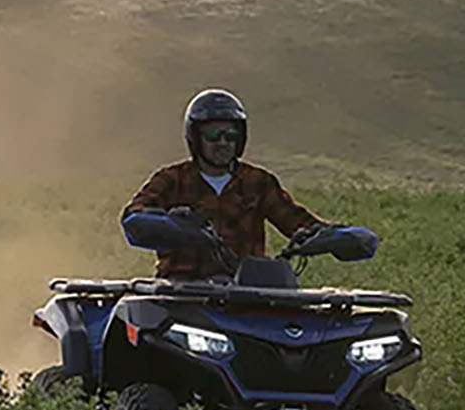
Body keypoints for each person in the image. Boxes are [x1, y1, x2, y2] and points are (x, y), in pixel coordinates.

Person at [121, 88, 327, 280]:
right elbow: (134, 216)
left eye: (230, 135)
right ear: (195, 138)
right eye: (212, 135)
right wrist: (173, 226)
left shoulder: (258, 182)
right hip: (181, 295)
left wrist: (338, 236)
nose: (222, 143)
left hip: (247, 297)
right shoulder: (172, 180)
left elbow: (298, 222)